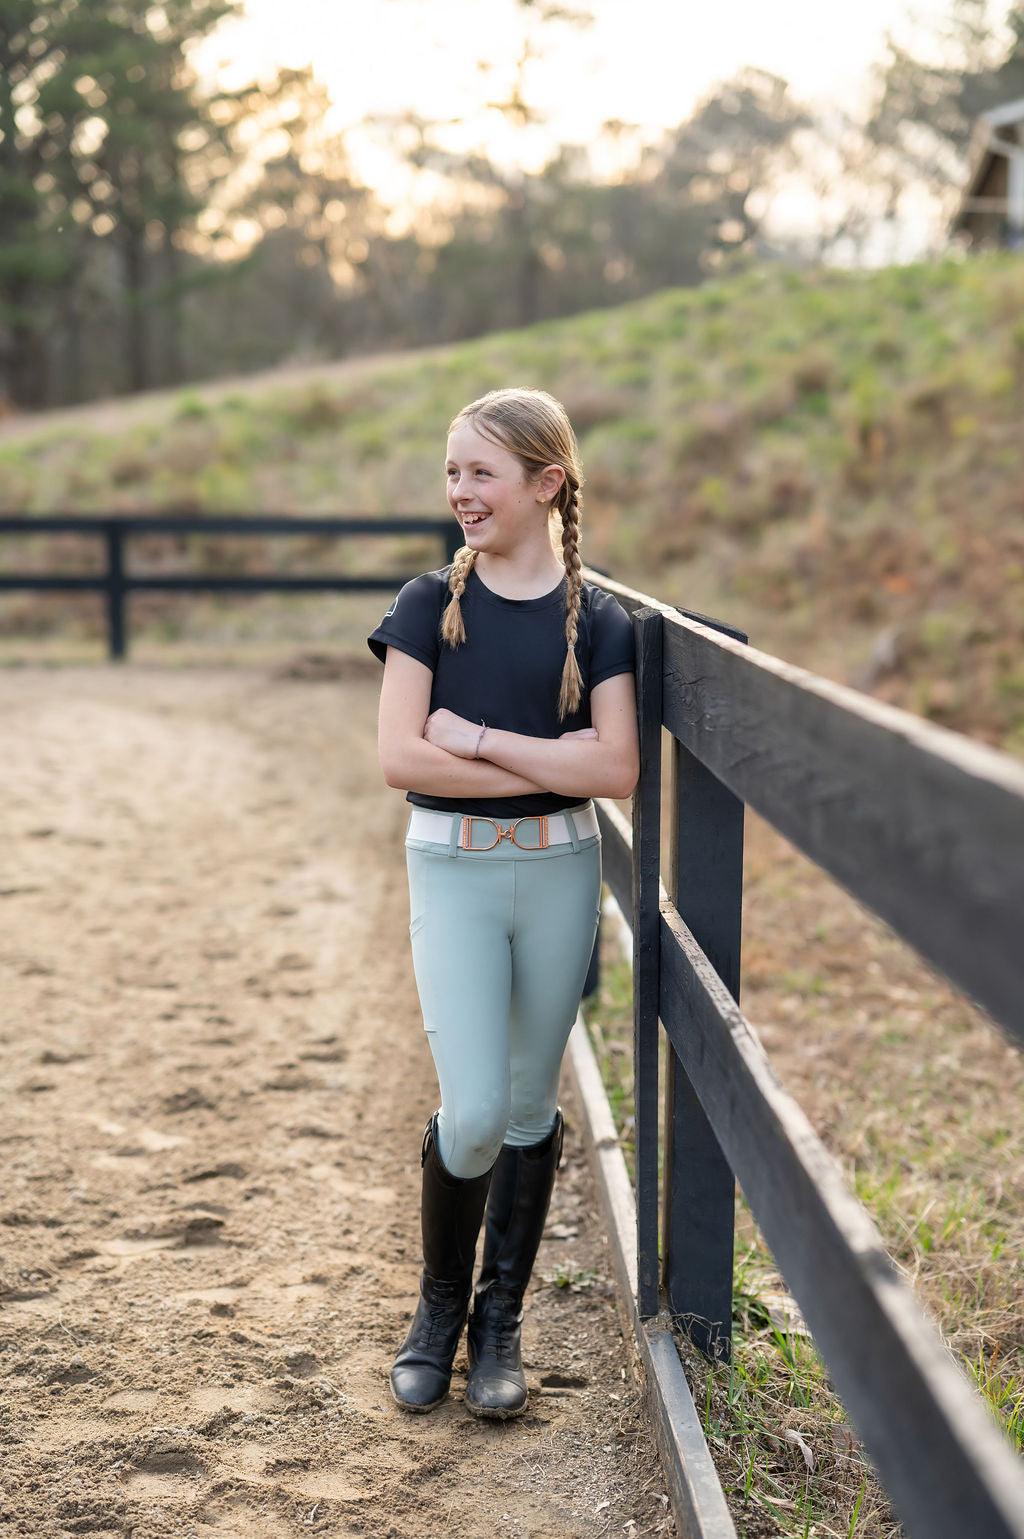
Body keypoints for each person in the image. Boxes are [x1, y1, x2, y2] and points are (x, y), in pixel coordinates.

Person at [368, 386, 638, 1419]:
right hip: (452, 868)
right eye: (452, 473)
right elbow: (400, 756)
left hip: (559, 872)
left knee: (529, 1110)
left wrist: (473, 740)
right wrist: (547, 763)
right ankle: (436, 1312)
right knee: (474, 1111)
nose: (460, 493)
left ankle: (498, 1328)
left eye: (481, 473)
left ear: (545, 483)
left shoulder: (599, 620)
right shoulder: (422, 606)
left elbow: (613, 770)